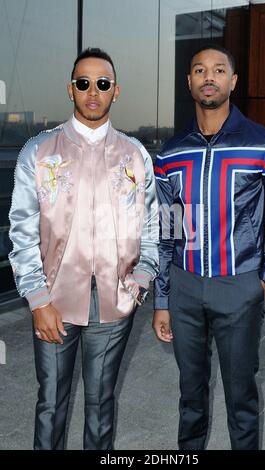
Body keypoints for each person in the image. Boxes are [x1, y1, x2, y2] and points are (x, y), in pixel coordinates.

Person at [9, 47, 159, 450]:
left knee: (101, 407)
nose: (93, 91)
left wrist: (138, 284)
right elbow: (21, 231)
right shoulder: (38, 153)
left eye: (103, 83)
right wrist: (38, 299)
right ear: (71, 90)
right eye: (84, 83)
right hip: (54, 304)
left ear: (116, 91)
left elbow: (153, 227)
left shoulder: (136, 156)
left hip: (115, 306)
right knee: (51, 406)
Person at [152, 44, 265, 450]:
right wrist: (163, 298)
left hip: (240, 287)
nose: (209, 76)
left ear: (232, 82)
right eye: (200, 70)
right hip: (184, 289)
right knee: (191, 398)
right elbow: (167, 230)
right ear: (190, 83)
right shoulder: (171, 153)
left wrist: (263, 281)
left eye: (218, 70)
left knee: (242, 399)